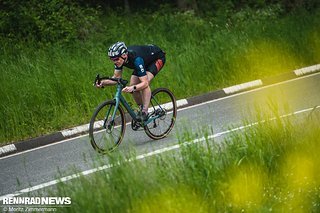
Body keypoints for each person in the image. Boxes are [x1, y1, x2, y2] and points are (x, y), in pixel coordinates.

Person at [96, 41, 166, 121]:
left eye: (116, 59)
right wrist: (103, 82)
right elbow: (116, 78)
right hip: (144, 62)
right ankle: (141, 108)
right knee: (133, 84)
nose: (115, 62)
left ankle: (145, 112)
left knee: (143, 85)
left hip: (157, 58)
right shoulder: (120, 59)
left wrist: (133, 88)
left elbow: (145, 83)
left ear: (124, 55)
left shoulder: (136, 59)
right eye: (112, 60)